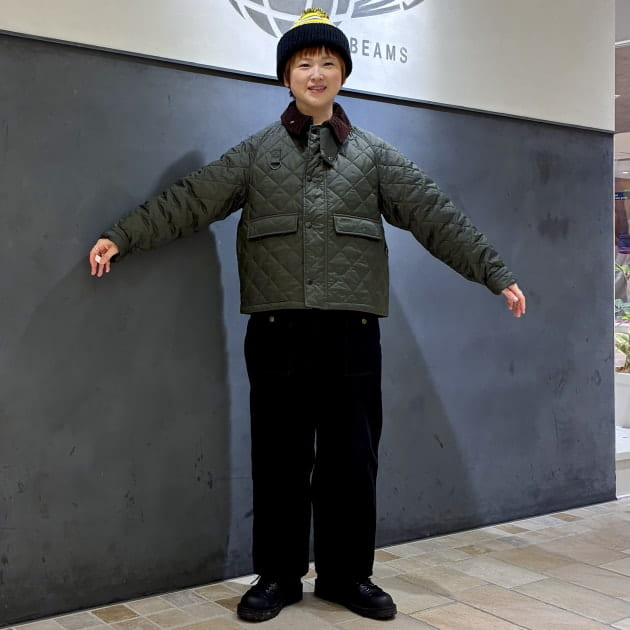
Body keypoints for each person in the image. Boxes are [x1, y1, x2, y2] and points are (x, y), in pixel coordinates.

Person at [88, 8, 526, 623]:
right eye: (303, 63)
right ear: (286, 76)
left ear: (342, 74)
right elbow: (189, 200)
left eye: (327, 62)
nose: (316, 73)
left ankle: (348, 576)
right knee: (279, 459)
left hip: (353, 333)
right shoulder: (255, 155)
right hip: (277, 332)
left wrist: (493, 271)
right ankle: (278, 576)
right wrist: (122, 235)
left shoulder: (373, 157)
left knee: (352, 460)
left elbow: (435, 214)